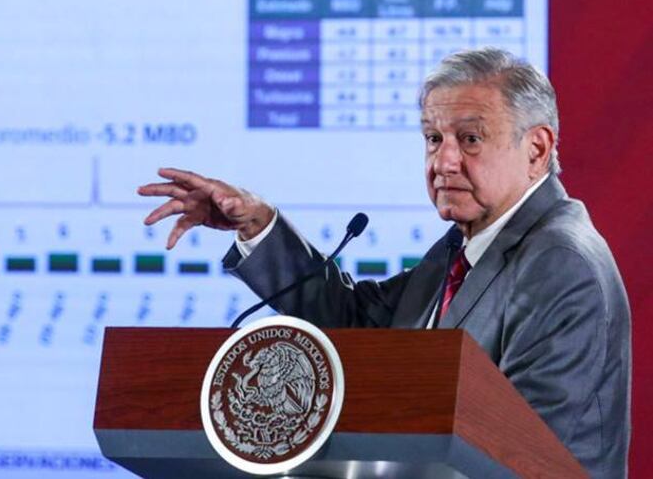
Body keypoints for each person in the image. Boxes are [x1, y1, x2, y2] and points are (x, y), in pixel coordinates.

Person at [138, 47, 630, 477]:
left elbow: (521, 455)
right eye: (434, 139)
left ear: (537, 150)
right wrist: (258, 225)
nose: (444, 162)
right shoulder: (468, 243)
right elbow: (360, 327)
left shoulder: (559, 263)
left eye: (471, 139)